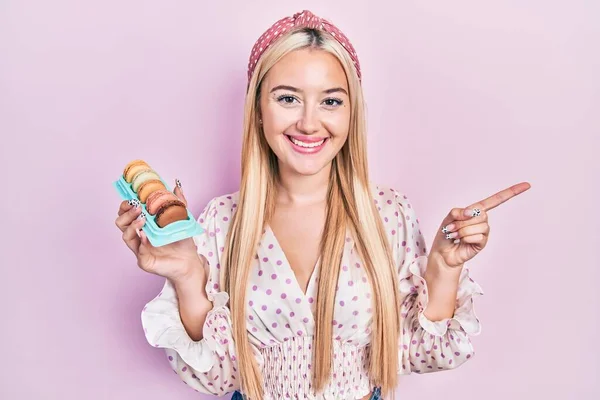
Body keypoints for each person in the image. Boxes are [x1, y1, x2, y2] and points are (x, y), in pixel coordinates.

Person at [114, 10, 530, 400]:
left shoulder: (388, 214)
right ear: (258, 109)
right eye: (288, 99)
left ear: (351, 113)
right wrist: (187, 275)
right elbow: (216, 378)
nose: (309, 123)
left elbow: (418, 355)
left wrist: (443, 267)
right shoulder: (222, 221)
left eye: (331, 100)